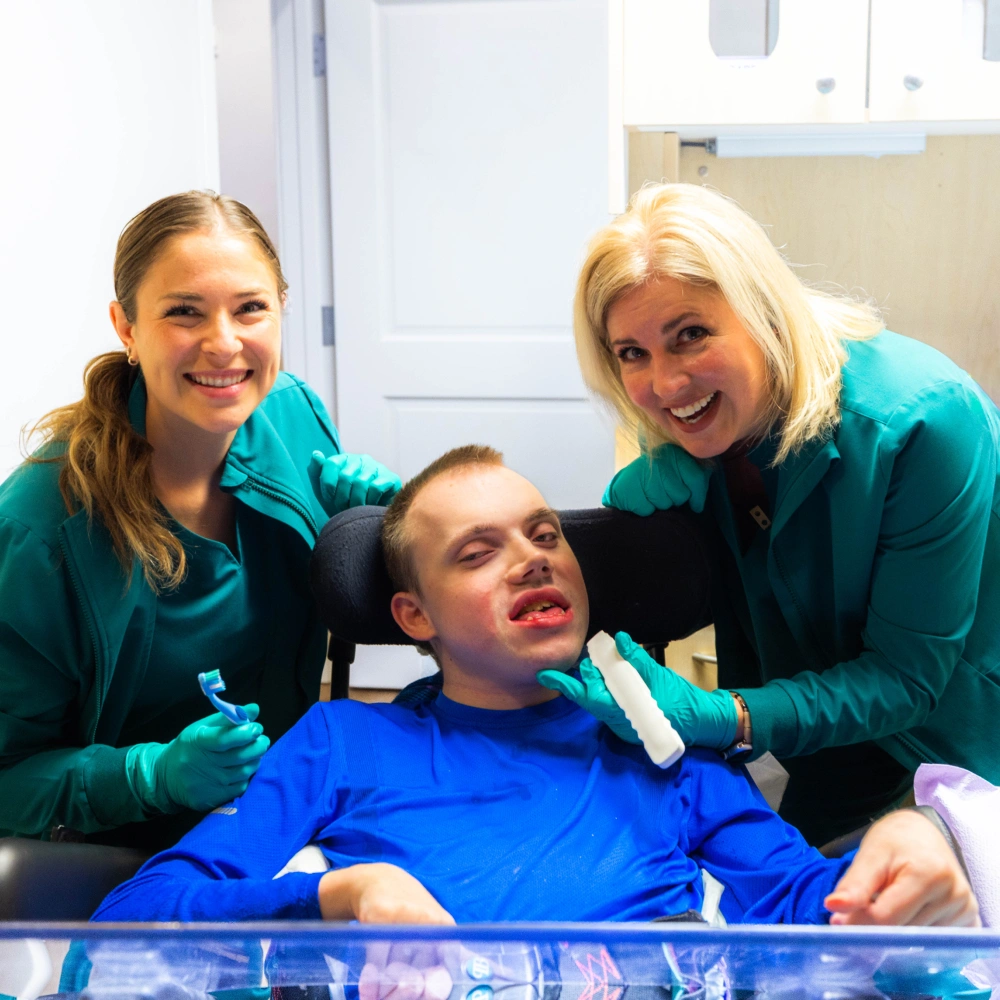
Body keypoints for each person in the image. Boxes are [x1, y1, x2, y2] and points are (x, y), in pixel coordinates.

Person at [92, 446, 978, 928]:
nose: (532, 560)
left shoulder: (663, 751)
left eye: (545, 534)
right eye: (478, 553)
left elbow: (809, 910)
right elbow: (139, 913)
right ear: (413, 616)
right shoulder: (341, 744)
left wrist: (905, 841)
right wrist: (338, 895)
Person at [545, 182, 1000, 846]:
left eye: (691, 335)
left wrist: (723, 715)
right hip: (822, 734)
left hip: (953, 747)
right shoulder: (694, 418)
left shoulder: (919, 421)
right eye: (632, 353)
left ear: (762, 310)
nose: (666, 384)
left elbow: (905, 678)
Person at [0, 191, 401, 851]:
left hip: (285, 817)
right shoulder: (40, 532)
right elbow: (10, 775)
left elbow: (377, 605)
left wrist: (381, 533)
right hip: (129, 855)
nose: (224, 344)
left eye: (251, 309)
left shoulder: (291, 414)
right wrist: (151, 774)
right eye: (184, 312)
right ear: (126, 329)